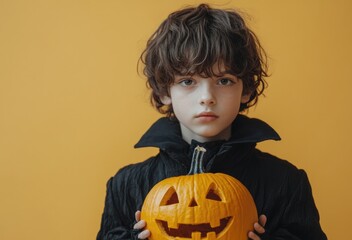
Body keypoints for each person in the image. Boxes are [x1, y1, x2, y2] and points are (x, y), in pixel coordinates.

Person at [97, 3, 327, 240]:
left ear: (246, 89)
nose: (207, 98)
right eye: (188, 81)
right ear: (165, 91)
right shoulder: (126, 185)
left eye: (224, 80)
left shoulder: (286, 182)